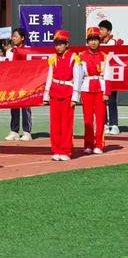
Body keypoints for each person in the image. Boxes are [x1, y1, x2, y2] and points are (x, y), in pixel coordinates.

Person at [42, 30, 82, 161]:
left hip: (67, 93)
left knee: (66, 123)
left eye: (60, 44)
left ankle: (65, 150)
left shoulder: (74, 58)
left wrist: (75, 98)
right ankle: (56, 150)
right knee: (55, 124)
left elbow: (77, 79)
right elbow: (49, 77)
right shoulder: (53, 58)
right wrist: (46, 96)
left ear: (67, 44)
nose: (58, 47)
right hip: (55, 91)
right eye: (56, 44)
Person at [80, 27, 110, 155]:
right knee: (87, 120)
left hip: (100, 89)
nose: (93, 42)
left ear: (99, 41)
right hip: (86, 88)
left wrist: (106, 93)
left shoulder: (105, 56)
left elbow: (108, 76)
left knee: (100, 118)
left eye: (96, 39)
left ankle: (99, 144)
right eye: (91, 40)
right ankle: (88, 144)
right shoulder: (81, 56)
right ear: (87, 41)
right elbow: (78, 76)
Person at [5, 28, 33, 142]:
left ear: (22, 38)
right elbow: (7, 65)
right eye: (13, 36)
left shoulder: (28, 50)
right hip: (13, 82)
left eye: (16, 36)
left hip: (26, 82)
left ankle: (27, 131)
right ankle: (14, 131)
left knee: (25, 107)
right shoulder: (9, 51)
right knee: (14, 106)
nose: (14, 38)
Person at [99, 19, 120, 135]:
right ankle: (105, 124)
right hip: (101, 76)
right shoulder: (97, 42)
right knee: (102, 101)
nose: (100, 32)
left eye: (102, 29)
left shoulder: (113, 42)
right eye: (99, 29)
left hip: (113, 76)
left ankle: (114, 124)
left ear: (109, 31)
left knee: (111, 100)